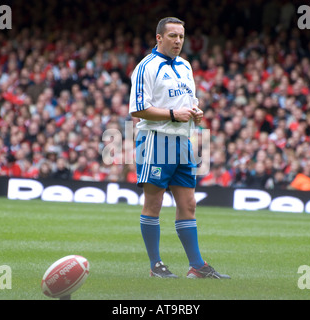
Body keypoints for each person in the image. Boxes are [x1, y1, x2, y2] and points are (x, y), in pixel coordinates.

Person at [129, 17, 229, 279]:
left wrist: (195, 113)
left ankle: (196, 266)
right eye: (172, 36)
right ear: (159, 38)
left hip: (183, 142)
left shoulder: (185, 66)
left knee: (189, 203)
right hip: (156, 140)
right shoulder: (145, 67)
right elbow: (137, 109)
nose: (178, 41)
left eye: (181, 36)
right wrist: (174, 114)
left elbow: (188, 102)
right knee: (154, 203)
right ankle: (155, 265)